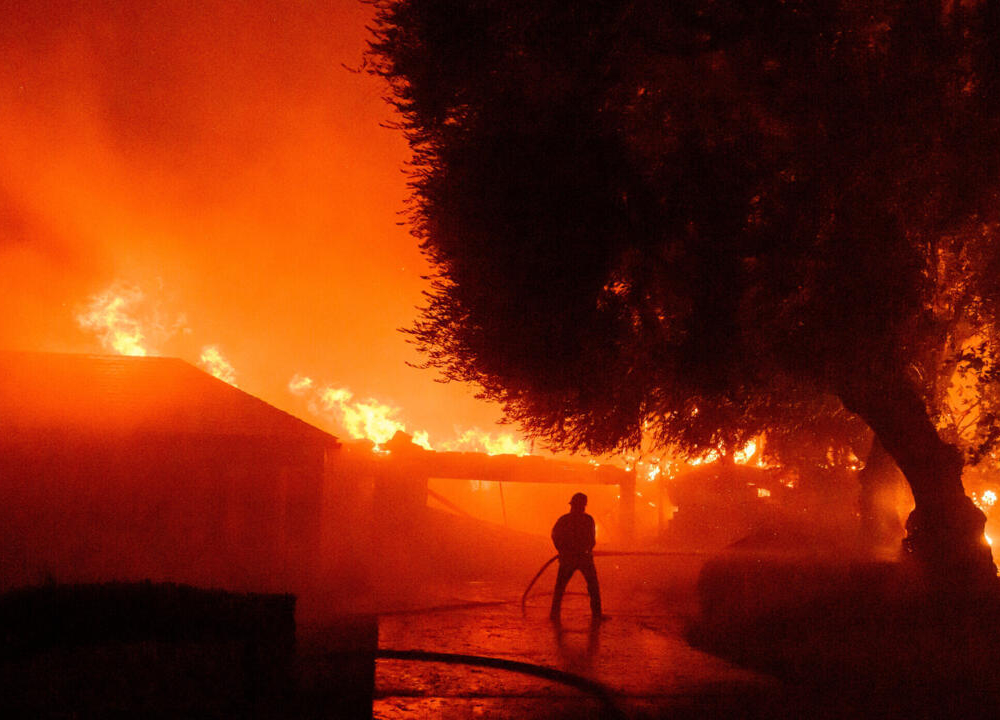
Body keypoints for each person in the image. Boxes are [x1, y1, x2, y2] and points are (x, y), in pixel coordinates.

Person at [549, 492, 603, 623]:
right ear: (583, 505)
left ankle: (554, 614)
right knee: (593, 586)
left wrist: (562, 550)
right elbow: (591, 539)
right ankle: (597, 615)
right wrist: (586, 549)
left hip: (569, 559)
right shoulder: (587, 520)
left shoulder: (564, 520)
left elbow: (555, 536)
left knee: (560, 587)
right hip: (584, 558)